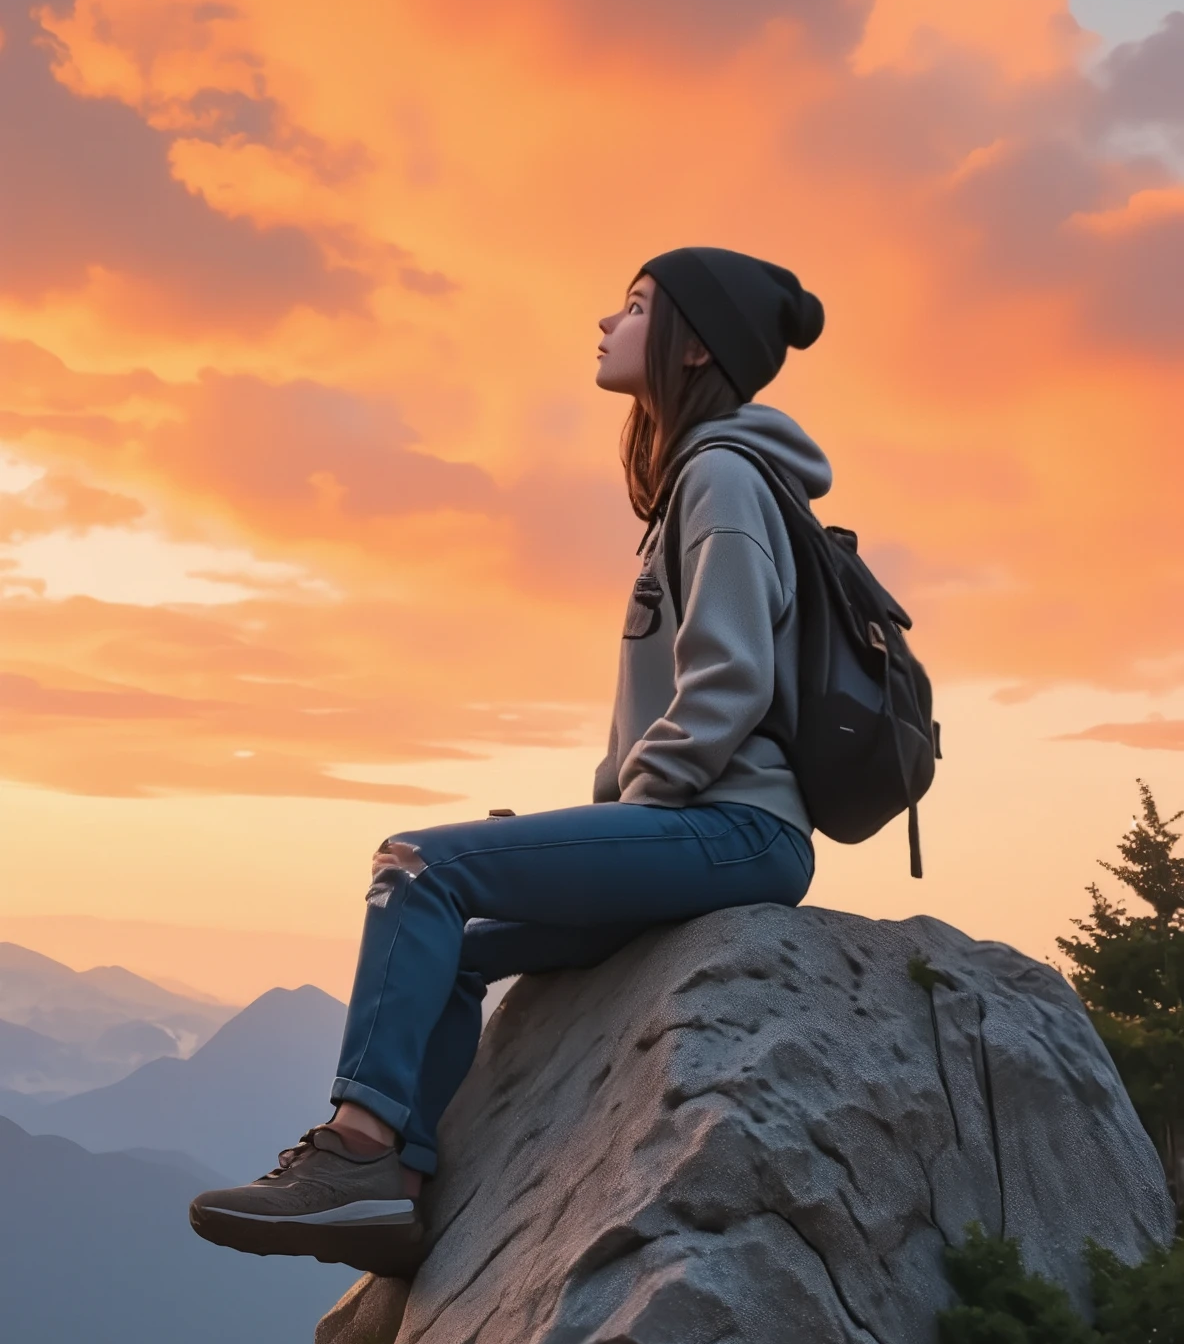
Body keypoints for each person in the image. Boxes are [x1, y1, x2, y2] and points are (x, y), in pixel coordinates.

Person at [190, 246, 830, 1277]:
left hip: (731, 829)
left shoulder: (719, 474)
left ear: (693, 342)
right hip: (707, 825)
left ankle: (355, 1149)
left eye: (632, 308)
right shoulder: (696, 481)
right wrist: (587, 829)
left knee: (418, 863)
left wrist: (634, 817)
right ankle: (393, 1192)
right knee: (458, 940)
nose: (603, 322)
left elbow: (729, 680)